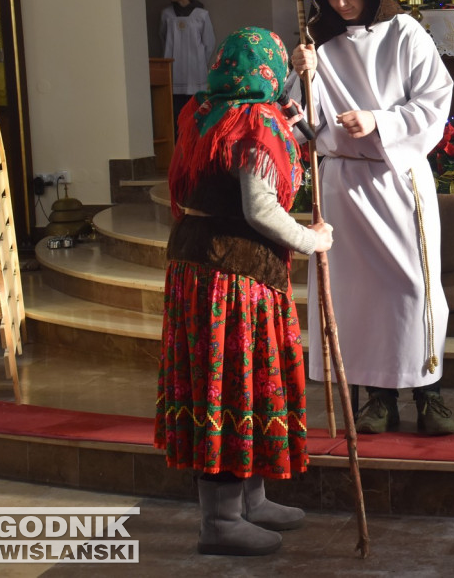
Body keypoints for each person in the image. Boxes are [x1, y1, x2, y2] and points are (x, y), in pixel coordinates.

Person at [154, 27, 334, 556]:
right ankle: (221, 520)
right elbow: (259, 205)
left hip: (203, 266)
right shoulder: (255, 123)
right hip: (229, 280)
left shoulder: (206, 109)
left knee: (246, 385)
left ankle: (251, 499)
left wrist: (297, 124)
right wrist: (312, 239)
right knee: (231, 384)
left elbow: (244, 165)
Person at [288, 0, 454, 436]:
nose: (341, 4)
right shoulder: (317, 47)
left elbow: (434, 103)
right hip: (342, 183)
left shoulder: (404, 34)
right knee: (356, 297)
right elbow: (301, 124)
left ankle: (429, 391)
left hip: (396, 178)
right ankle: (378, 398)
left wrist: (377, 120)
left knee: (413, 287)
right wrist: (301, 76)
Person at [159, 0, 216, 126]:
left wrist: (199, 62)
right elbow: (163, 38)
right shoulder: (167, 14)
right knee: (176, 113)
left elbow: (209, 43)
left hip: (195, 71)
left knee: (195, 112)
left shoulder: (201, 15)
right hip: (174, 70)